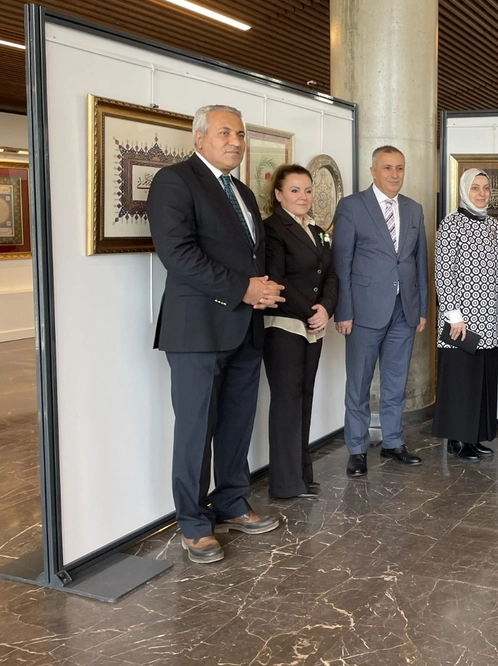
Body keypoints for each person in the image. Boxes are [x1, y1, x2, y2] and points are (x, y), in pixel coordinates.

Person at [147, 104, 284, 564]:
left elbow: (250, 256)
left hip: (245, 328)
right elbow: (178, 254)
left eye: (240, 134)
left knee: (237, 423)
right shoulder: (174, 181)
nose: (236, 141)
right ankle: (192, 522)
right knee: (195, 429)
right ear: (199, 137)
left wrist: (261, 291)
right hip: (197, 331)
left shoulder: (242, 192)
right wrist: (244, 288)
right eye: (225, 133)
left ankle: (232, 502)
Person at [333, 145, 428, 477]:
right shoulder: (352, 207)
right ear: (372, 171)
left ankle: (393, 442)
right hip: (363, 312)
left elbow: (419, 262)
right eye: (387, 168)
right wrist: (343, 311)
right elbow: (341, 262)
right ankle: (357, 449)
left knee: (395, 382)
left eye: (400, 168)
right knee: (358, 383)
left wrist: (421, 308)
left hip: (404, 310)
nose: (394, 174)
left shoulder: (414, 209)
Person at [261, 165, 338, 499]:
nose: (303, 196)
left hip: (312, 325)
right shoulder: (272, 229)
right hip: (284, 326)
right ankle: (284, 482)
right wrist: (310, 312)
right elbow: (277, 279)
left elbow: (330, 274)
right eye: (295, 190)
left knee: (304, 396)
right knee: (287, 402)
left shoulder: (317, 230)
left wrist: (326, 308)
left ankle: (303, 477)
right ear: (279, 194)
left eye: (307, 190)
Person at [432, 169, 498, 462]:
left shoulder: (493, 225)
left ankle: (474, 436)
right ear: (465, 190)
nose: (481, 193)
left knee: (482, 379)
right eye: (475, 188)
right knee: (461, 380)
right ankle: (458, 439)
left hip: (488, 317)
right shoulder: (451, 224)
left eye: (486, 188)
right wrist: (453, 315)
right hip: (461, 321)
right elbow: (443, 271)